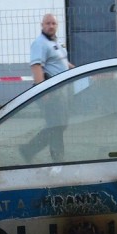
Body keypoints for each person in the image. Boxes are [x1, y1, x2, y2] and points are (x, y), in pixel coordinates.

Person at [21, 13, 75, 162]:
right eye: (48, 23)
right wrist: (42, 91)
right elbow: (36, 67)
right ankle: (56, 158)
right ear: (42, 25)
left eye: (53, 23)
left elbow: (62, 63)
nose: (51, 26)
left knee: (59, 125)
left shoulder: (55, 43)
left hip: (60, 91)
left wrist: (76, 70)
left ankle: (28, 150)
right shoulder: (40, 43)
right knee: (56, 126)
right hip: (50, 91)